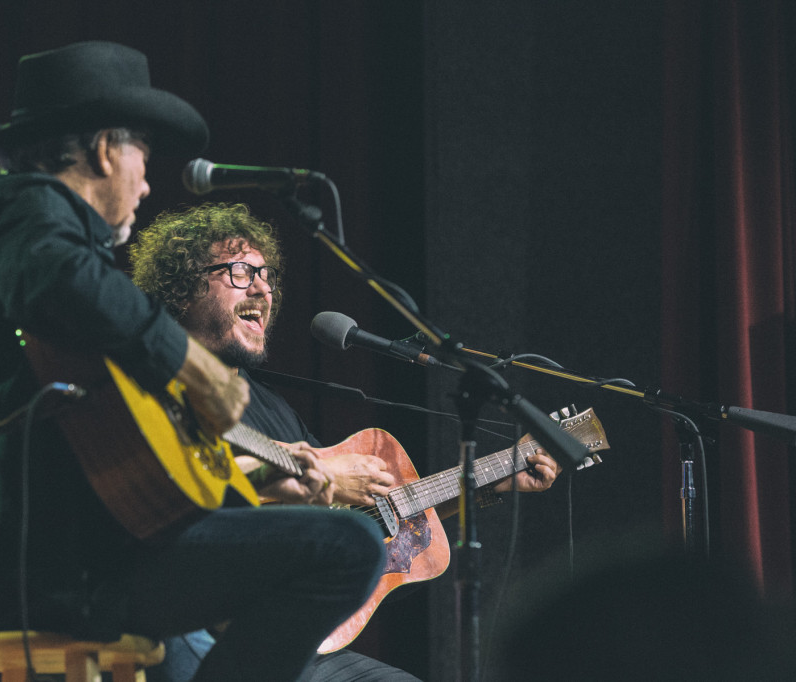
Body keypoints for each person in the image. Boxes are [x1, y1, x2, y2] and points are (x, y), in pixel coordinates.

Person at [0, 41, 387, 682]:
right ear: (101, 150)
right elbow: (62, 276)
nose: (147, 184)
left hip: (20, 564)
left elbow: (91, 450)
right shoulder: (26, 212)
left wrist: (249, 482)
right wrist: (195, 369)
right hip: (33, 572)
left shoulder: (8, 243)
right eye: (141, 156)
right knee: (345, 547)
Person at [130, 202, 563, 681]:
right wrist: (316, 479)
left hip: (304, 649)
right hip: (209, 633)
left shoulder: (271, 406)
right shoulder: (152, 389)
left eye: (266, 274)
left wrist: (490, 485)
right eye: (238, 272)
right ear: (181, 289)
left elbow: (367, 513)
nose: (261, 288)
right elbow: (169, 505)